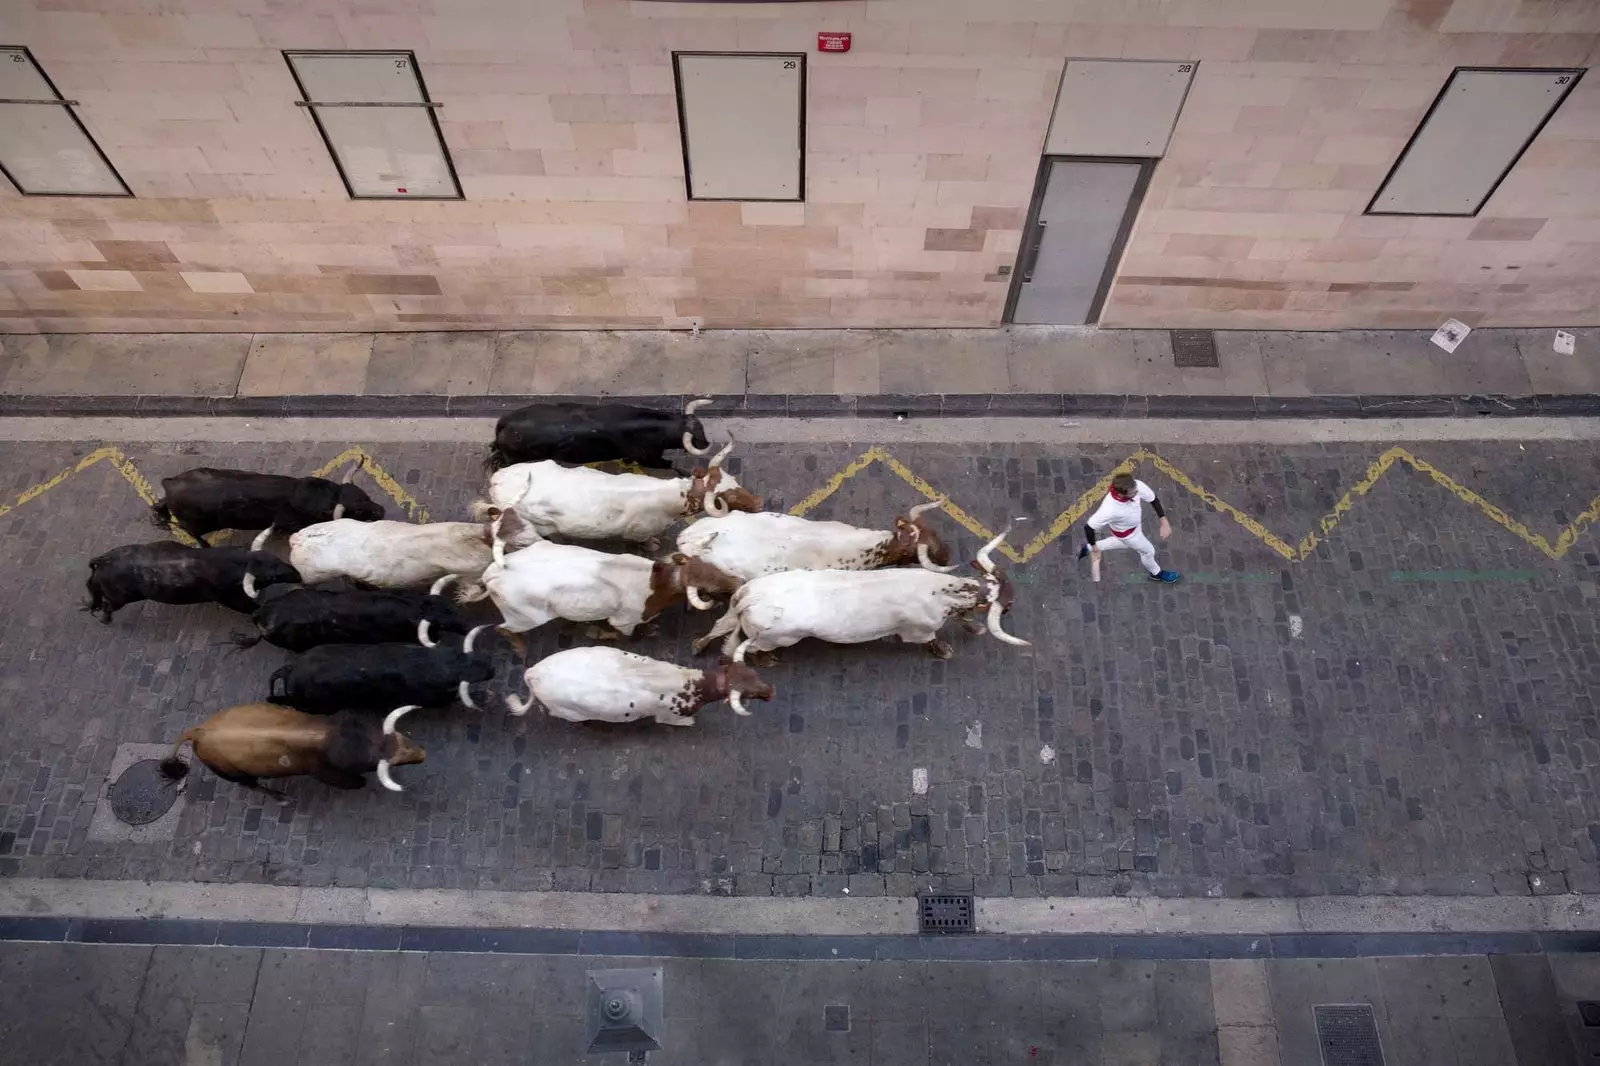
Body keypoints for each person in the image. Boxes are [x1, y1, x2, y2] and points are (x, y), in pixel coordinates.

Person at [1077, 473, 1180, 583]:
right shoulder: (1109, 510)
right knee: (1148, 551)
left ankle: (1087, 548)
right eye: (1133, 493)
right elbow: (1089, 527)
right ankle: (1156, 573)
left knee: (1123, 544)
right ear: (1121, 495)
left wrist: (1163, 521)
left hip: (1132, 529)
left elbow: (1153, 499)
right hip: (1128, 535)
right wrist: (1094, 547)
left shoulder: (1135, 486)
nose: (1137, 493)